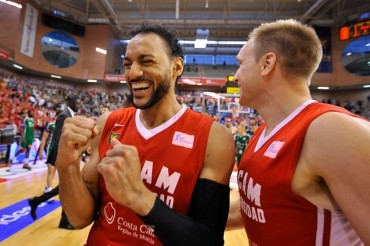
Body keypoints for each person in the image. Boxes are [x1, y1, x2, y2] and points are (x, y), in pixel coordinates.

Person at [55, 22, 235, 245]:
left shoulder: (213, 138)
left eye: (146, 61)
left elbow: (208, 239)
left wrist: (140, 198)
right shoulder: (109, 122)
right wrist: (67, 165)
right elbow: (79, 218)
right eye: (127, 64)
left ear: (177, 67)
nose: (133, 73)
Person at [226, 19, 370, 245]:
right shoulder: (263, 132)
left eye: (240, 64)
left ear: (267, 63)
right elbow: (253, 208)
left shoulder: (332, 130)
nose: (235, 76)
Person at [28, 96, 80, 229]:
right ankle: (63, 220)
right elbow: (57, 138)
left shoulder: (70, 115)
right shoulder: (64, 115)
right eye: (77, 102)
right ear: (71, 103)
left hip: (66, 155)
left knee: (65, 187)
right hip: (61, 156)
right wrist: (62, 157)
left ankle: (36, 202)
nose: (79, 105)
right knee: (67, 187)